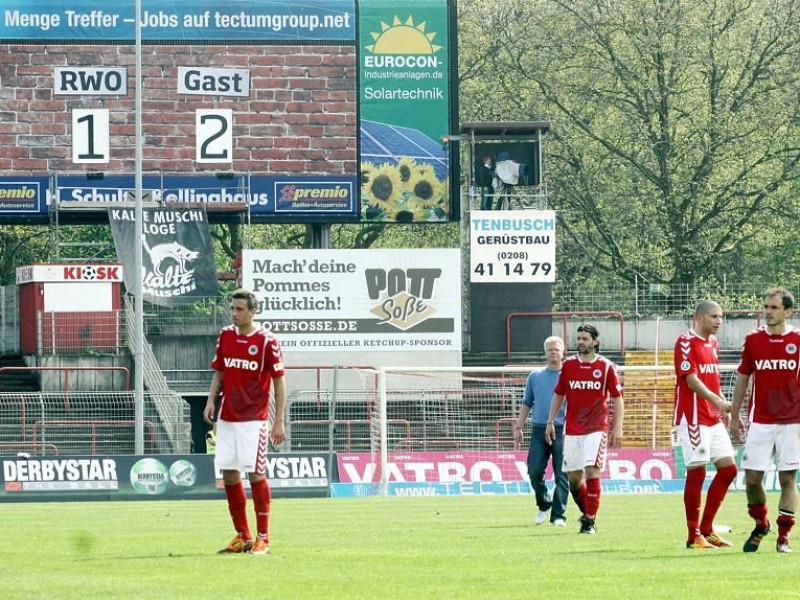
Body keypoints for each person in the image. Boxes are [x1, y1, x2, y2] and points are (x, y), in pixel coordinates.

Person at [203, 288, 286, 556]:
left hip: (255, 419)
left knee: (256, 474)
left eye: (240, 309)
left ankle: (264, 537)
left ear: (253, 312)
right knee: (228, 473)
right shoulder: (226, 335)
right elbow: (220, 371)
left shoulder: (266, 341)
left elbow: (279, 380)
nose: (234, 313)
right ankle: (243, 536)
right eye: (233, 309)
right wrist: (210, 400)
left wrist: (278, 420)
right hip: (228, 415)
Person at [730, 287, 800, 553]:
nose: (768, 312)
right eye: (766, 307)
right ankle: (761, 524)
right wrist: (734, 414)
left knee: (787, 480)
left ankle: (784, 536)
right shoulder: (753, 340)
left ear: (788, 311)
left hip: (792, 421)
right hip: (760, 420)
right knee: (751, 479)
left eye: (774, 308)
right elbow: (743, 377)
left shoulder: (798, 340)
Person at [545, 324, 623, 534]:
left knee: (591, 471)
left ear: (595, 342)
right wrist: (550, 421)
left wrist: (617, 427)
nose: (580, 342)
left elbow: (617, 397)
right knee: (573, 478)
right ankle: (589, 513)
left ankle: (588, 521)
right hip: (572, 429)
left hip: (597, 428)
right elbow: (559, 394)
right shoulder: (569, 365)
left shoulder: (606, 367)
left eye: (585, 339)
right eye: (578, 338)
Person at [673, 300, 737, 550]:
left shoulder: (713, 343)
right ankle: (693, 534)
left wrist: (721, 409)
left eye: (721, 317)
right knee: (697, 471)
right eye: (714, 316)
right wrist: (718, 401)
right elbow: (691, 380)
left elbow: (713, 377)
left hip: (712, 417)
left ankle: (708, 529)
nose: (719, 321)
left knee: (729, 470)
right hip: (693, 417)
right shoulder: (685, 341)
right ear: (698, 318)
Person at [513, 336, 569, 527]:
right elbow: (527, 402)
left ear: (563, 351)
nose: (553, 352)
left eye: (556, 349)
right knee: (534, 470)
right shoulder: (535, 376)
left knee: (562, 474)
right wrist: (519, 426)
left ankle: (559, 515)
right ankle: (544, 502)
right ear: (545, 352)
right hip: (538, 428)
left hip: (563, 429)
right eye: (549, 349)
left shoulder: (570, 376)